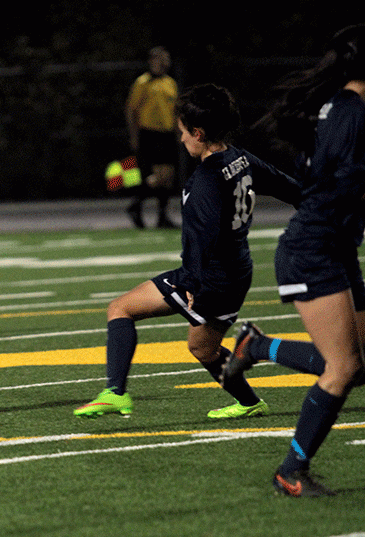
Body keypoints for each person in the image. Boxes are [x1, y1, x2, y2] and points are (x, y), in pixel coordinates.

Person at [73, 84, 300, 421]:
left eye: (182, 133)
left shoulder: (205, 181)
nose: (180, 140)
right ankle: (118, 393)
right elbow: (286, 186)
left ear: (198, 132)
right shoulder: (239, 158)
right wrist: (319, 208)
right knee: (177, 335)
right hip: (233, 269)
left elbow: (203, 239)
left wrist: (194, 285)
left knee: (148, 321)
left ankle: (117, 393)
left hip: (212, 276)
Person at [221, 24, 365, 497]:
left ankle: (258, 349)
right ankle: (290, 472)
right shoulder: (349, 109)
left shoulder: (343, 108)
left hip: (334, 244)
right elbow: (338, 177)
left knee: (355, 365)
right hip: (314, 248)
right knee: (341, 369)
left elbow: (318, 173)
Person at [125, 47, 180, 229]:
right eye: (160, 59)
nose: (164, 63)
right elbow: (131, 110)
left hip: (167, 134)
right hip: (150, 133)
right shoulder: (143, 82)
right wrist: (134, 136)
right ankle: (137, 205)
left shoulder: (170, 83)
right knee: (158, 175)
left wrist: (179, 133)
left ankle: (159, 215)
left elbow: (175, 112)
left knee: (168, 177)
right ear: (151, 61)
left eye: (166, 59)